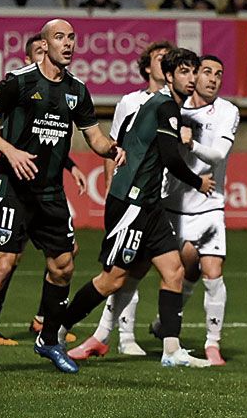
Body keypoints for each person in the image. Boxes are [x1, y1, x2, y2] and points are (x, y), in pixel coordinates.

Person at [0, 19, 124, 376]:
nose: (67, 44)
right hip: (13, 188)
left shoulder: (78, 91)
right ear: (45, 43)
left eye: (71, 38)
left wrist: (112, 148)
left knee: (63, 264)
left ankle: (48, 339)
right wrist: (10, 151)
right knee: (2, 263)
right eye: (59, 37)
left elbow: (94, 138)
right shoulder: (19, 81)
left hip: (51, 192)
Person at [43, 47, 216, 370]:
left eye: (195, 71)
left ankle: (171, 350)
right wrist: (198, 182)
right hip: (132, 204)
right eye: (183, 71)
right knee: (111, 280)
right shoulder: (165, 107)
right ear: (168, 75)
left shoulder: (162, 105)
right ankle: (54, 333)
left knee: (174, 271)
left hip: (149, 205)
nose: (191, 79)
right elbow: (169, 155)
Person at [69, 41, 175, 361]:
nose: (165, 65)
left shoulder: (176, 104)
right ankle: (122, 335)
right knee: (122, 268)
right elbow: (114, 146)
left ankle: (114, 335)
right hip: (132, 197)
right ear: (147, 67)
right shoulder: (130, 102)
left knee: (144, 268)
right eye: (160, 59)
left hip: (164, 197)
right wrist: (112, 188)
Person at [162, 55, 238, 366]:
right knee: (182, 270)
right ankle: (161, 326)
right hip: (175, 205)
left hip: (210, 205)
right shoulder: (174, 109)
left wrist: (191, 144)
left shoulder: (227, 111)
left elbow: (218, 155)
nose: (213, 79)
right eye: (207, 72)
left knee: (213, 272)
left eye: (219, 74)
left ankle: (212, 344)